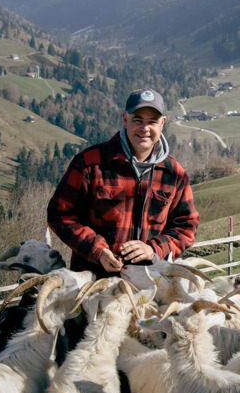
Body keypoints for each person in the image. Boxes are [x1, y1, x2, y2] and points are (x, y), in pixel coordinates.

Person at [47, 87, 200, 278]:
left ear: (163, 123)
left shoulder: (174, 173)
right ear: (125, 120)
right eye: (138, 120)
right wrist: (97, 251)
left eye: (152, 121)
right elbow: (60, 213)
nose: (144, 128)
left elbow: (186, 225)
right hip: (94, 284)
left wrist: (155, 250)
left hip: (150, 284)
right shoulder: (90, 164)